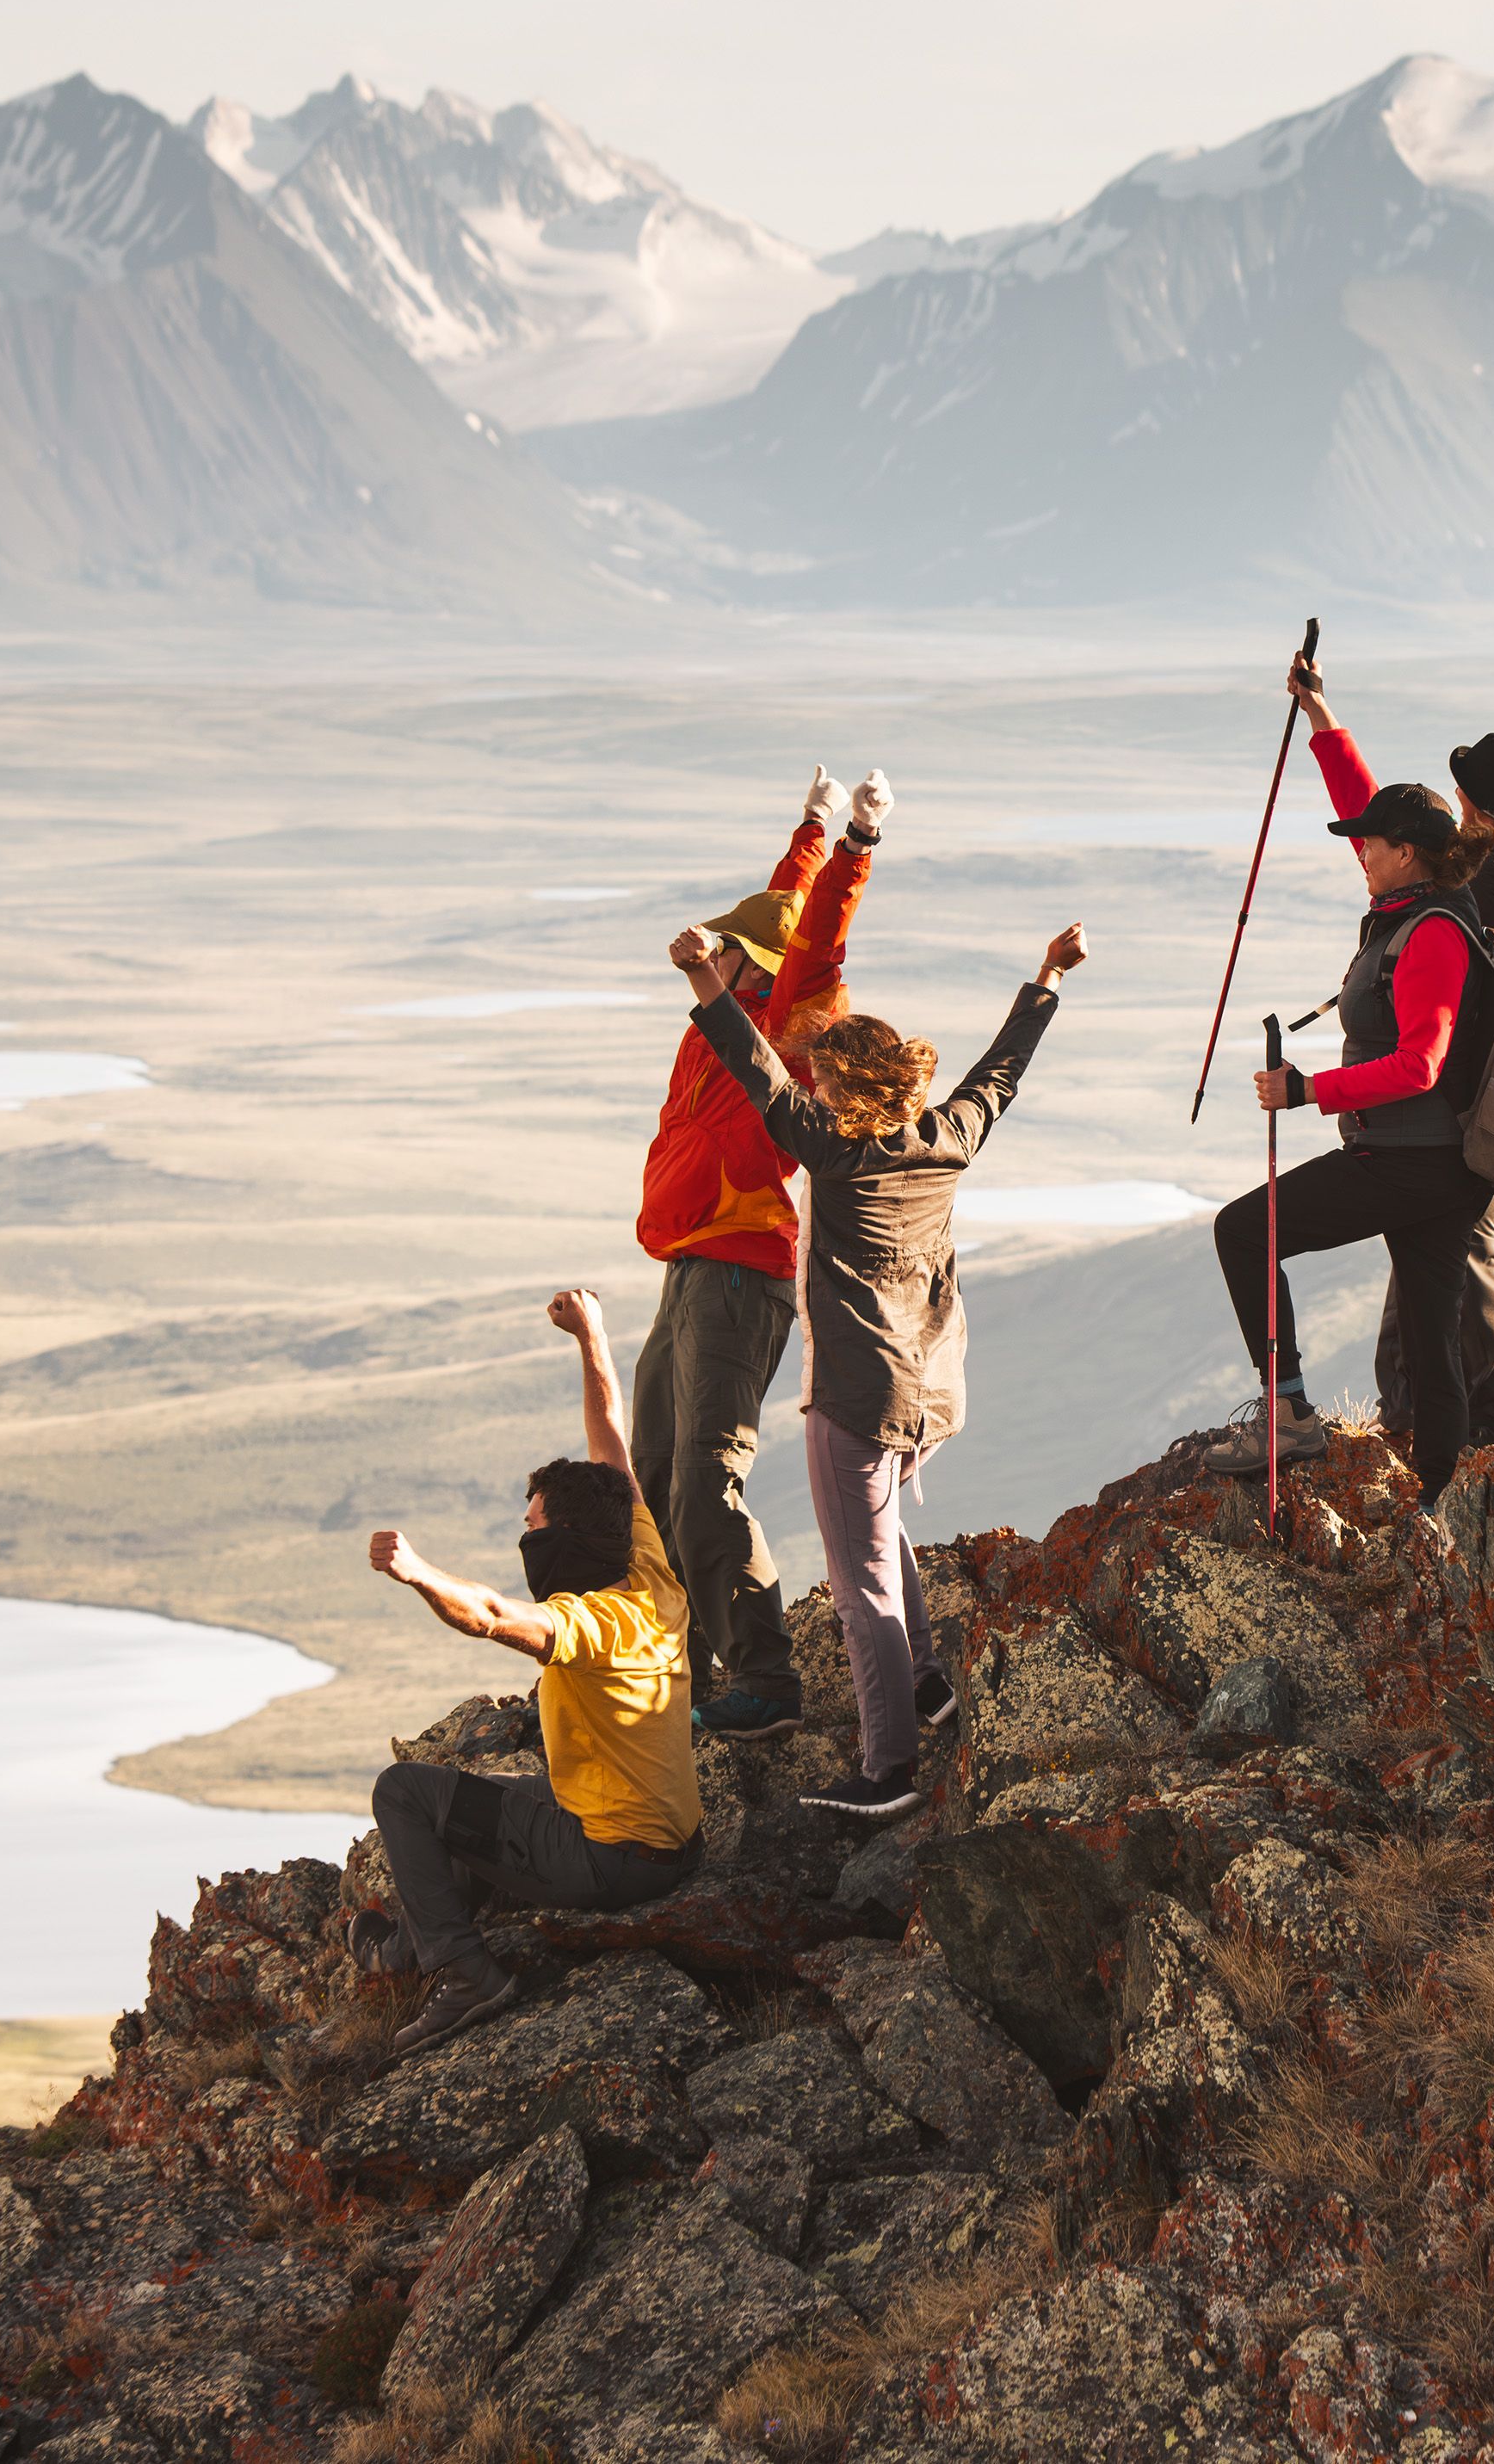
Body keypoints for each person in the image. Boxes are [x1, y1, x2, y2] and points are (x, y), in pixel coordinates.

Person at [681, 913, 1090, 1826]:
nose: (809, 1088)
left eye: (819, 1078)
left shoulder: (832, 1150)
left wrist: (706, 979)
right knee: (881, 1535)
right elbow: (1002, 1071)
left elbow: (755, 1073)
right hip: (933, 1389)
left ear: (838, 1086)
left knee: (858, 1578)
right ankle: (929, 1683)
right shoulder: (951, 1138)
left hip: (857, 1396)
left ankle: (887, 1768)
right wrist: (1048, 977)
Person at [354, 1288, 701, 2054]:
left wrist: (416, 1572)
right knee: (485, 1802)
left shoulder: (597, 1622)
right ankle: (406, 1950)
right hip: (665, 1836)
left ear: (567, 1537)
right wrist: (592, 1336)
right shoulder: (646, 1569)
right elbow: (612, 1438)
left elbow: (490, 1614)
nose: (526, 1534)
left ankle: (466, 1975)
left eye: (534, 1524)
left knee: (405, 1791)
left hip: (614, 1860)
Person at [633, 766, 890, 1742]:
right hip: (687, 1271)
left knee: (706, 1479)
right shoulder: (718, 1015)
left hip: (741, 1277)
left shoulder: (789, 1024)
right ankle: (687, 1672)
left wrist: (857, 843)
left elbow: (815, 931)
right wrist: (811, 823)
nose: (725, 959)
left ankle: (764, 1680)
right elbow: (787, 898)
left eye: (737, 954)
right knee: (655, 1481)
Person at [1275, 650, 1494, 1450]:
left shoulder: (1486, 880)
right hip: (1486, 1107)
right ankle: (1430, 1420)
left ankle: (1481, 1424)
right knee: (1440, 1265)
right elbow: (1381, 831)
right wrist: (1324, 722)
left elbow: (1389, 842)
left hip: (1455, 1112)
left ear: (1479, 805)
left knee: (1462, 1254)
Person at [1202, 775, 1494, 1504]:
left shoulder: (1432, 932)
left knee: (1245, 1231)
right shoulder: (1421, 906)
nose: (1360, 853)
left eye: (1370, 842)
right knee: (1433, 1339)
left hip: (1404, 1163)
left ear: (1407, 852)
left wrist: (1308, 1091)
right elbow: (1373, 803)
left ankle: (1288, 1413)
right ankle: (1442, 1494)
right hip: (1440, 1167)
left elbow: (1420, 1064)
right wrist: (1320, 719)